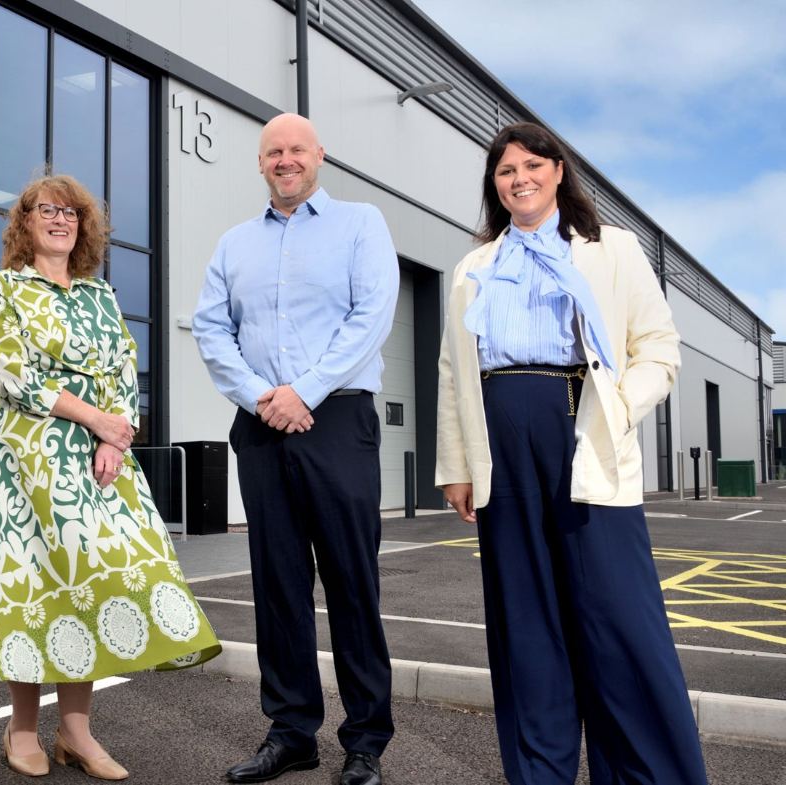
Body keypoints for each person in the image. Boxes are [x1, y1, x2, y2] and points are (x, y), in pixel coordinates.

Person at [0, 174, 221, 780]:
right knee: (30, 588)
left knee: (94, 584)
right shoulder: (3, 286)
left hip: (98, 461)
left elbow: (123, 369)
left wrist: (117, 435)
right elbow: (14, 374)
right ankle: (22, 728)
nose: (60, 220)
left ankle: (77, 732)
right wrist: (98, 422)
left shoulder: (100, 295)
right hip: (24, 459)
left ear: (83, 226)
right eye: (46, 210)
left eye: (71, 213)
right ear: (25, 222)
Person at [435, 122, 708, 784]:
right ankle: (540, 772)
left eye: (532, 164)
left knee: (618, 623)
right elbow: (452, 370)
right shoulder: (474, 267)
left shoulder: (611, 249)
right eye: (506, 170)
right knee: (526, 625)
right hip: (501, 446)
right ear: (493, 186)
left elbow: (659, 348)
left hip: (584, 432)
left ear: (559, 171)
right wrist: (458, 467)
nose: (519, 178)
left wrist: (617, 404)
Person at [193, 113, 399, 785]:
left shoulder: (361, 224)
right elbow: (210, 328)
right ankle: (291, 732)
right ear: (260, 163)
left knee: (350, 582)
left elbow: (370, 317)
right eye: (273, 151)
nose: (285, 160)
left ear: (319, 157)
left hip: (336, 419)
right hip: (260, 425)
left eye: (296, 150)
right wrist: (262, 396)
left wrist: (302, 392)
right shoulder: (233, 244)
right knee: (278, 584)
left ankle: (365, 740)